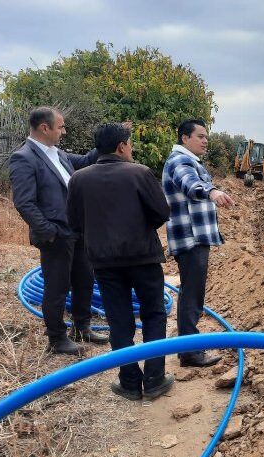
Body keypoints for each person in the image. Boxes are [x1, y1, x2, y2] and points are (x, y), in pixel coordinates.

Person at [66, 123, 173, 400]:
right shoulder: (140, 173)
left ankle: (128, 381)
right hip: (143, 258)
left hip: (103, 262)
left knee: (118, 319)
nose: (131, 148)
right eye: (130, 144)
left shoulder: (79, 179)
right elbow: (161, 212)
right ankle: (154, 379)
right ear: (122, 146)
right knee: (153, 314)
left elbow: (74, 222)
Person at [9, 106, 109, 354]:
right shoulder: (24, 157)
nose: (63, 131)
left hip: (76, 232)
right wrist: (49, 232)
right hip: (56, 236)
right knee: (57, 287)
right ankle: (57, 338)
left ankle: (81, 327)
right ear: (45, 128)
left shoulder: (57, 153)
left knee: (84, 280)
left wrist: (108, 141)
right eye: (61, 127)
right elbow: (24, 202)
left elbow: (86, 161)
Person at [162, 119, 234, 367]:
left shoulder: (188, 161)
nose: (205, 141)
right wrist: (212, 192)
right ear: (185, 138)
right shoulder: (180, 161)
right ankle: (190, 352)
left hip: (194, 237)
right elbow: (191, 184)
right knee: (192, 294)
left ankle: (188, 348)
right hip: (190, 238)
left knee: (191, 293)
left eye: (206, 137)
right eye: (200, 136)